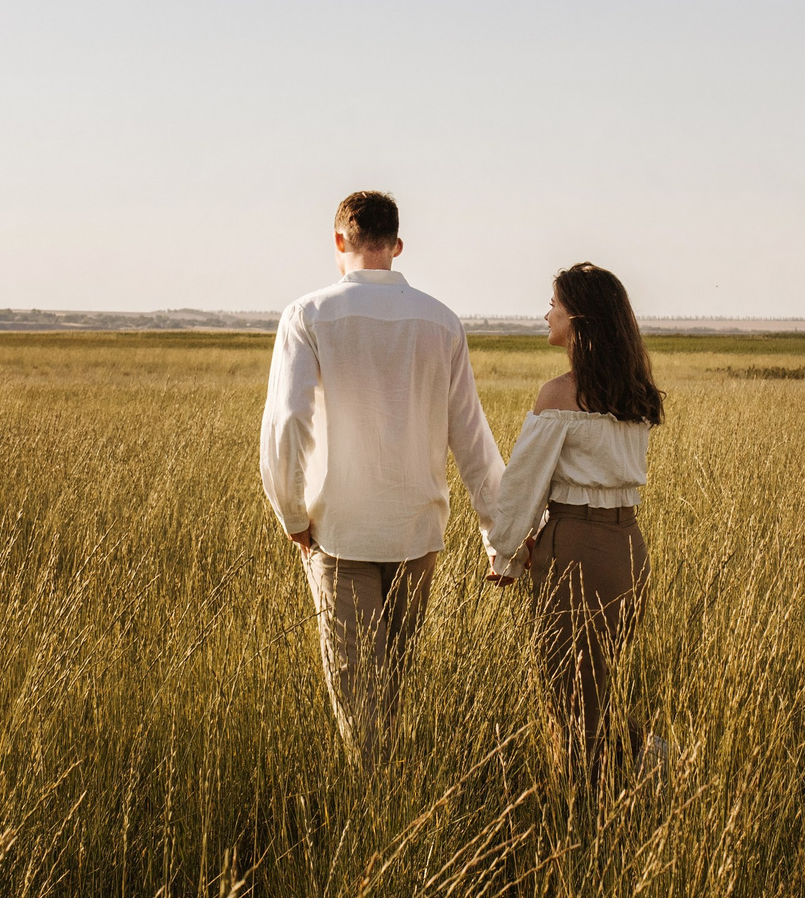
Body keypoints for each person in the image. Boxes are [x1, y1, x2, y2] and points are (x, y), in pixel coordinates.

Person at [260, 192, 505, 771]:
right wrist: (500, 534)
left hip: (338, 531)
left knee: (355, 690)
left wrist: (292, 514)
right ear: (395, 246)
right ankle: (392, 790)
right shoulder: (441, 320)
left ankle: (377, 803)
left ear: (339, 242)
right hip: (418, 531)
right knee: (391, 682)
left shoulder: (308, 314)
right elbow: (471, 437)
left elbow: (287, 421)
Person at [479, 263, 663, 789]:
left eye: (554, 304)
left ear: (578, 318)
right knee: (597, 687)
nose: (546, 313)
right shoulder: (632, 393)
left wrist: (505, 554)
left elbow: (522, 487)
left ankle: (592, 802)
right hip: (629, 549)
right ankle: (642, 778)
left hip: (576, 548)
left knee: (568, 696)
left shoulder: (560, 395)